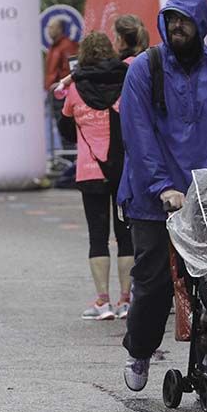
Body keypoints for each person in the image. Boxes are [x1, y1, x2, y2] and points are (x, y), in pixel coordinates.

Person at [117, 0, 207, 392]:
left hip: (206, 195)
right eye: (172, 19)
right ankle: (140, 350)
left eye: (186, 21)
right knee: (154, 282)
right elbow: (138, 135)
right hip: (151, 198)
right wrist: (162, 187)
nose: (178, 27)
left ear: (201, 25)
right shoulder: (146, 69)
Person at [56, 31, 133, 320]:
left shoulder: (75, 87)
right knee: (126, 236)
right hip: (124, 168)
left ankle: (103, 301)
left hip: (90, 171)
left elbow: (65, 128)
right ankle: (126, 299)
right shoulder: (126, 80)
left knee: (97, 237)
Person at [43, 17, 79, 91]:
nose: (49, 30)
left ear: (59, 29)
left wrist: (61, 83)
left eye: (52, 27)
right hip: (53, 89)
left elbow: (71, 69)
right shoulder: (53, 47)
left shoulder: (67, 46)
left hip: (62, 90)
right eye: (48, 28)